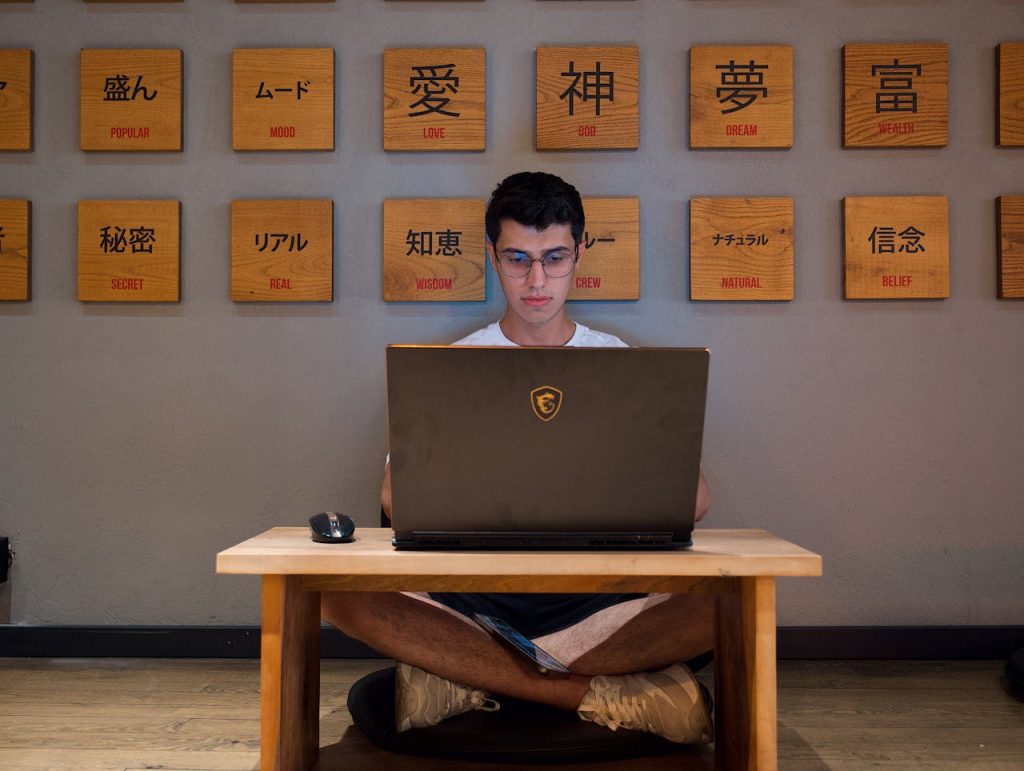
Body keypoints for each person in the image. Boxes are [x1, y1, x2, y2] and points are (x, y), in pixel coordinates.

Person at [321, 171, 713, 744]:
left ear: (580, 251)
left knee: (730, 604)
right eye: (517, 259)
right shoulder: (454, 365)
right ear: (492, 256)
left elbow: (695, 500)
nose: (536, 280)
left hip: (597, 602)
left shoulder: (618, 363)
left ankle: (467, 678)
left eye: (554, 258)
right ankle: (594, 695)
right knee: (334, 594)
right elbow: (392, 498)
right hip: (476, 599)